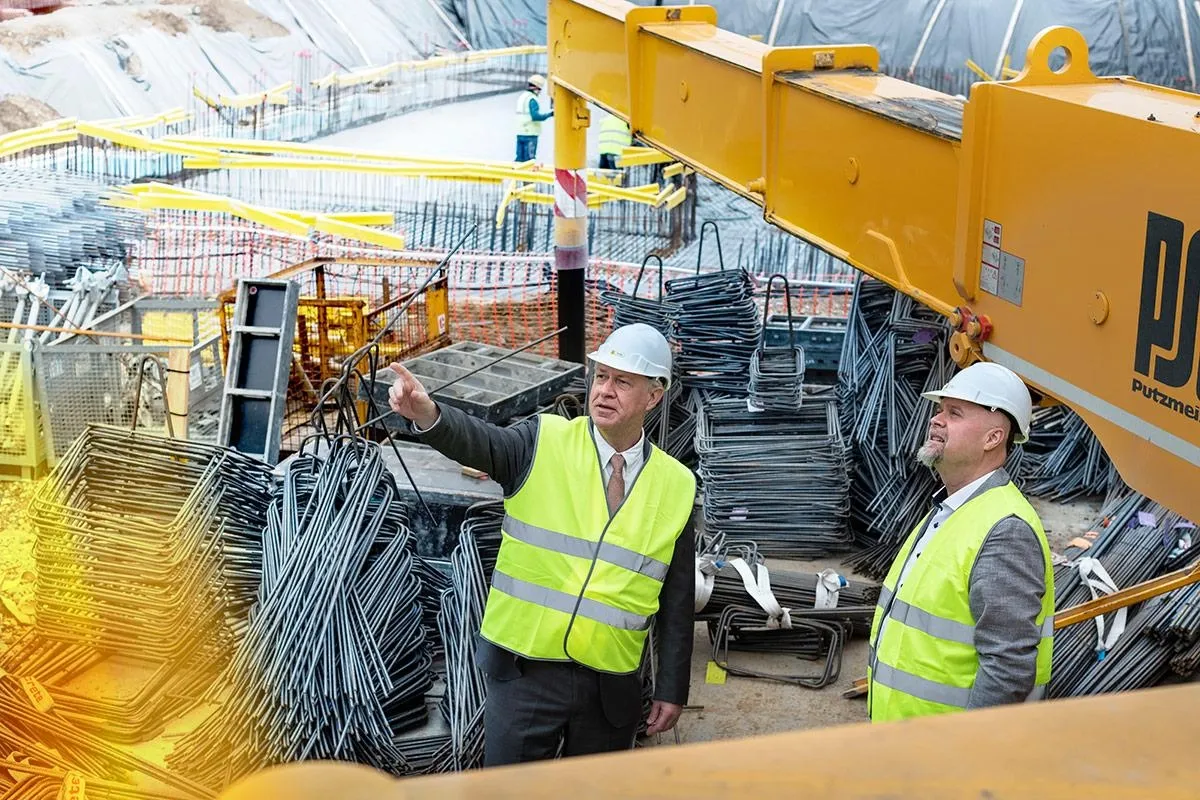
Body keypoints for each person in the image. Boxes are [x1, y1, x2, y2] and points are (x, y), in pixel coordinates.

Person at [386, 323, 697, 766]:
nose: (605, 390)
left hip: (611, 682)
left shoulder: (677, 485)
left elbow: (677, 596)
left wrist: (671, 686)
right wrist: (427, 414)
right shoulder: (543, 441)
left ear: (654, 396)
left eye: (623, 381)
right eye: (601, 376)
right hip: (524, 672)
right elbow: (481, 442)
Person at [866, 361, 1055, 722]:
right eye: (939, 411)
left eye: (955, 413)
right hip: (907, 742)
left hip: (945, 755)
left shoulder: (1005, 530)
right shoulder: (951, 508)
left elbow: (1008, 666)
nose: (936, 420)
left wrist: (966, 749)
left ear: (993, 438)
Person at [515, 74, 553, 162]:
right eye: (539, 90)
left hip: (520, 132)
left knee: (519, 160)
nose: (539, 92)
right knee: (529, 161)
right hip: (530, 134)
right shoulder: (532, 99)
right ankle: (528, 175)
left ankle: (518, 175)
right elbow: (535, 116)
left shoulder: (522, 97)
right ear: (536, 88)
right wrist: (550, 114)